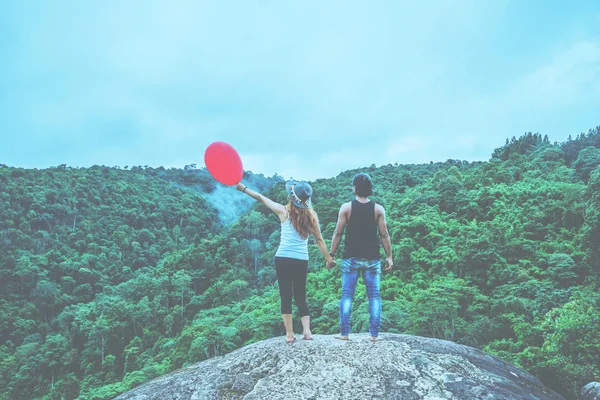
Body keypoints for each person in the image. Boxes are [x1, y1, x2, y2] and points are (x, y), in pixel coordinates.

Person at [236, 180, 336, 343]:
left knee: (285, 296)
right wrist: (329, 260)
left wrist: (244, 188)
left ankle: (290, 335)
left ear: (291, 197)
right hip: (301, 260)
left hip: (282, 258)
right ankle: (307, 332)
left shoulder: (283, 211)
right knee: (301, 296)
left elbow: (261, 198)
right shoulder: (312, 216)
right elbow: (319, 239)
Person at [328, 173, 393, 342]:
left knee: (347, 295)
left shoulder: (346, 208)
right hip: (373, 259)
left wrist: (331, 255)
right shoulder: (378, 209)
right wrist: (389, 256)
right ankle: (374, 335)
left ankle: (344, 333)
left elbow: (338, 232)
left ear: (355, 188)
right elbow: (384, 234)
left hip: (351, 257)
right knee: (374, 296)